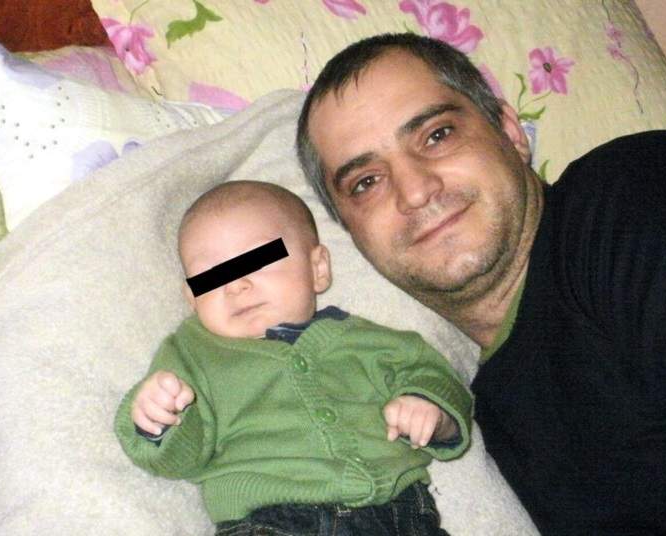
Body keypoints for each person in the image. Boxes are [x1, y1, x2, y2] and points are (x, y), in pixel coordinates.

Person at [296, 33, 666, 534]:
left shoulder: (639, 195)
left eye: (437, 135)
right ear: (352, 236)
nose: (415, 190)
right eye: (366, 182)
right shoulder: (481, 419)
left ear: (510, 132)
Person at [114, 180, 472, 535]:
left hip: (401, 515)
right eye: (212, 275)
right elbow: (179, 459)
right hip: (269, 521)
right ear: (192, 298)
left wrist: (430, 409)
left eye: (258, 260)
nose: (235, 285)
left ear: (318, 269)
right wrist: (157, 419)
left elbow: (435, 377)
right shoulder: (192, 355)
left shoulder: (374, 344)